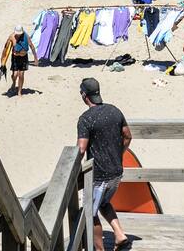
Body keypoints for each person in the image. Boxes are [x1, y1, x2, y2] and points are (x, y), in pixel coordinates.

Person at [77, 78, 132, 251]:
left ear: (84, 95)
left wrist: (72, 172)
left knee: (91, 213)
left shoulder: (86, 119)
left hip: (99, 176)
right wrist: (119, 154)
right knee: (103, 203)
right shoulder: (115, 111)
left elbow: (81, 149)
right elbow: (128, 136)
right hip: (116, 172)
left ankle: (99, 249)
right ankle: (120, 234)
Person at [0, 26, 37, 97]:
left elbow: (32, 46)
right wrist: (2, 61)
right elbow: (5, 49)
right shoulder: (11, 37)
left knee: (21, 75)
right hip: (15, 58)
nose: (18, 34)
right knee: (14, 75)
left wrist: (35, 58)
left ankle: (19, 92)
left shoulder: (26, 36)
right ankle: (14, 83)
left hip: (24, 58)